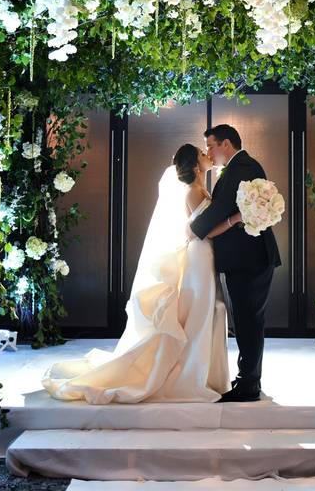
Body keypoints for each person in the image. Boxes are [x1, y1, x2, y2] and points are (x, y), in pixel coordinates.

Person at [41, 144, 237, 403]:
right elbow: (203, 230)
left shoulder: (200, 188)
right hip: (199, 256)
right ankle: (193, 375)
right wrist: (236, 219)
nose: (207, 155)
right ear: (194, 165)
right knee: (201, 312)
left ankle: (206, 372)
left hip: (204, 254)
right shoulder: (192, 192)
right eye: (202, 154)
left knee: (207, 309)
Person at [189, 124, 281, 403]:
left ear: (226, 144)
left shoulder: (241, 167)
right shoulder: (241, 166)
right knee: (247, 320)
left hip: (249, 258)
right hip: (247, 257)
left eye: (211, 146)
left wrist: (195, 229)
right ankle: (247, 379)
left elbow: (221, 208)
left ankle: (248, 385)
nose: (209, 153)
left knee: (248, 321)